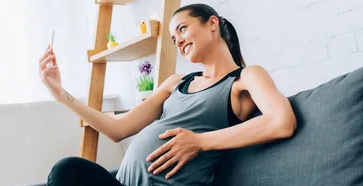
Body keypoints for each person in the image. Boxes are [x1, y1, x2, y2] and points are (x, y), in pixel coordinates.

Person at [37, 3, 296, 186]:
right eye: (173, 38)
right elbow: (118, 129)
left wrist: (200, 142)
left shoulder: (244, 78)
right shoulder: (176, 82)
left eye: (182, 29)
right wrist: (61, 94)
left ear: (212, 24)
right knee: (68, 170)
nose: (179, 41)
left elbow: (281, 122)